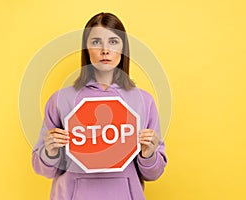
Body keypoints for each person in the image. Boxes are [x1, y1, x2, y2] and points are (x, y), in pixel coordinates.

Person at [32, 12, 167, 200]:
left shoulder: (144, 101)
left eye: (113, 41)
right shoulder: (60, 100)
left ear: (123, 48)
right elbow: (43, 170)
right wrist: (50, 151)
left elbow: (154, 173)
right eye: (96, 42)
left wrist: (148, 154)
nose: (105, 50)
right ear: (86, 48)